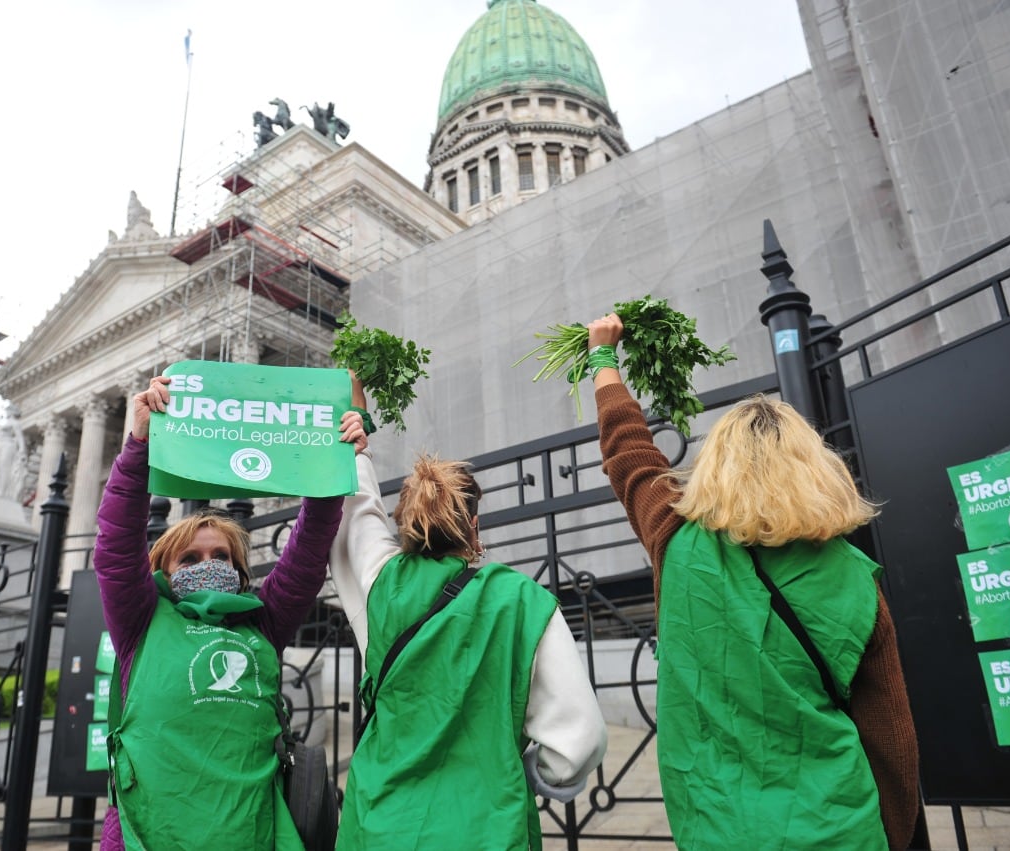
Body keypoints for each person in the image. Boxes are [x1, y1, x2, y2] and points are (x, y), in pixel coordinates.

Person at [584, 312, 920, 850]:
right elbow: (893, 741)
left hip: (719, 829)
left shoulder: (675, 540)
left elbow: (629, 454)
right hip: (841, 828)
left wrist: (602, 357)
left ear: (716, 466)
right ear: (815, 466)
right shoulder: (855, 578)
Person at [328, 375, 608, 850]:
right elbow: (578, 742)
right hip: (487, 828)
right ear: (473, 526)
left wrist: (357, 438)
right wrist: (524, 771)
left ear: (406, 522)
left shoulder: (381, 584)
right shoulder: (521, 600)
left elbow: (356, 512)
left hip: (381, 825)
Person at [95, 375, 366, 850]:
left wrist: (332, 459)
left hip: (252, 834)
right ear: (162, 569)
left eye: (222, 556)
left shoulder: (262, 619)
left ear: (241, 572)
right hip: (151, 835)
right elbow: (116, 547)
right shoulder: (141, 618)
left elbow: (307, 552)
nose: (209, 564)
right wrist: (138, 447)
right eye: (191, 558)